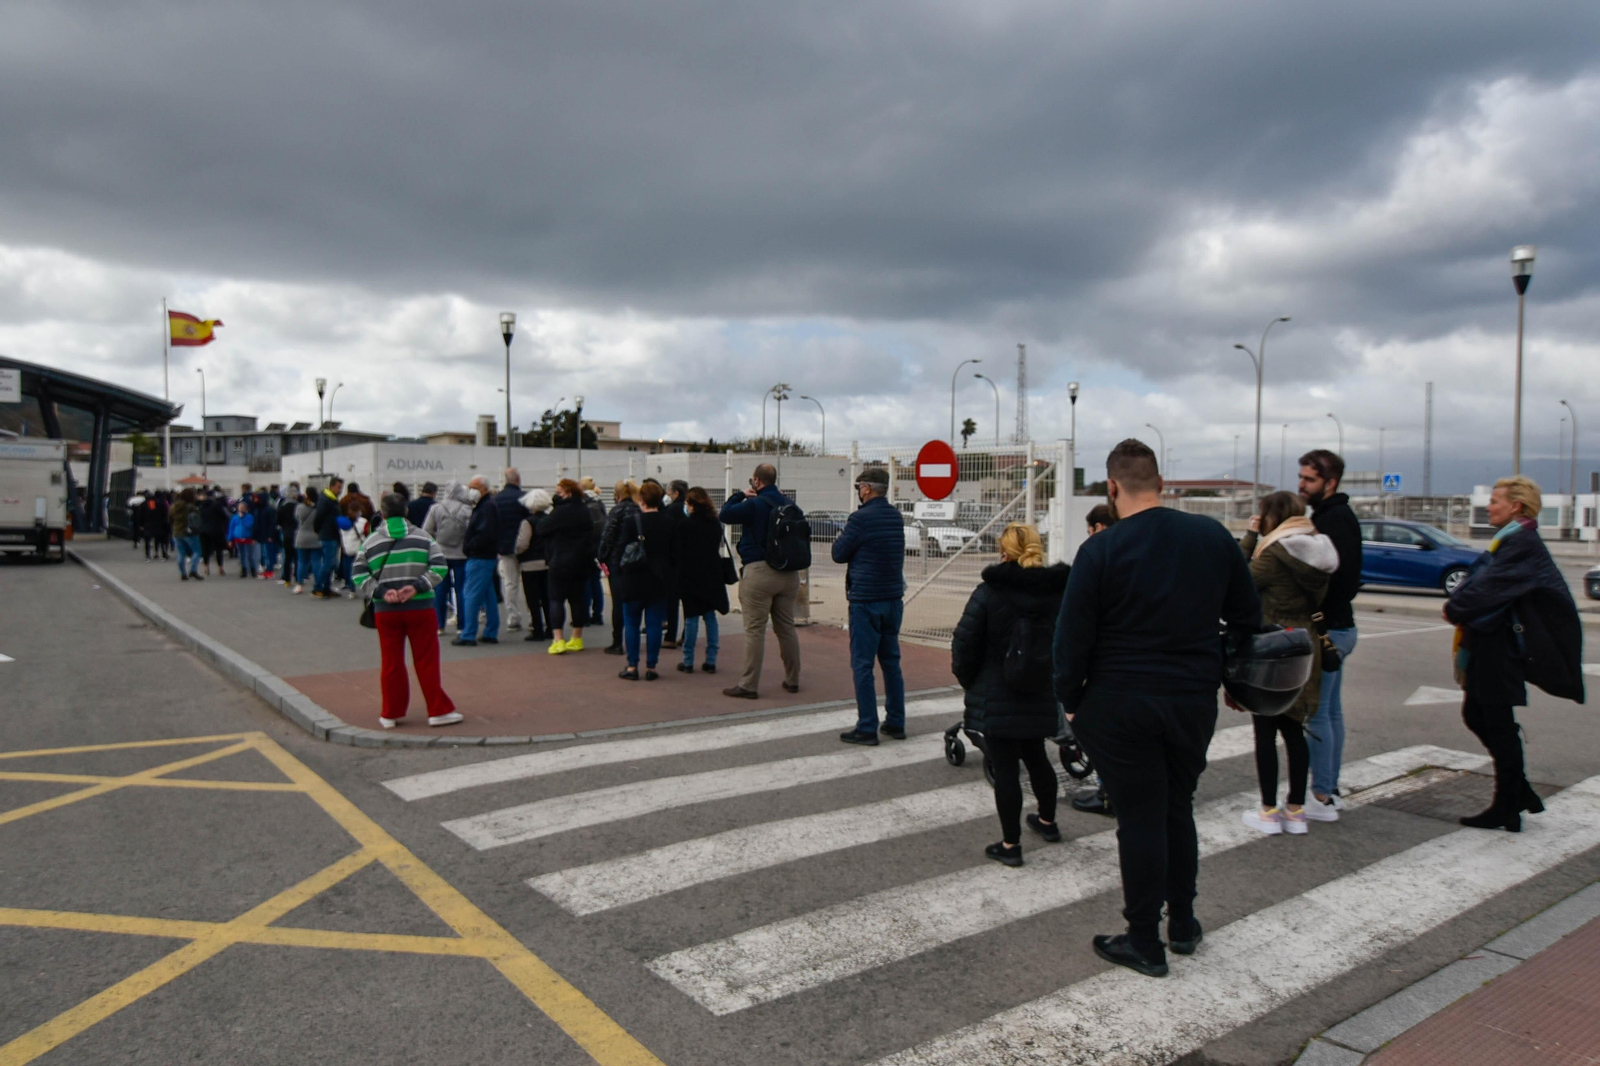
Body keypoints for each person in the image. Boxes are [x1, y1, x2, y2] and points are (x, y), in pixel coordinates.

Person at [1054, 439, 1260, 978]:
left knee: (1140, 818)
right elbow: (1247, 619)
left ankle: (1144, 939)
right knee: (1177, 808)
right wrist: (1234, 678)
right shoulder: (1212, 538)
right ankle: (1184, 923)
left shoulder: (1101, 550)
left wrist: (1071, 702)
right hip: (1191, 700)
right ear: (1161, 484)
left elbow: (1071, 641)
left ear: (1113, 487)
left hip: (1121, 703)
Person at [1444, 475, 1580, 832]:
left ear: (1515, 506)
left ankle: (1507, 805)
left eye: (1495, 500)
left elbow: (1488, 587)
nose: (1489, 506)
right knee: (1478, 715)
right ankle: (1518, 793)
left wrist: (1455, 608)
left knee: (1495, 722)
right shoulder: (1510, 540)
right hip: (1490, 641)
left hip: (1501, 647)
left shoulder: (1522, 543)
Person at [953, 524, 1069, 866]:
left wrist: (969, 680)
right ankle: (1047, 823)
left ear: (1003, 553)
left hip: (997, 690)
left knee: (1005, 768)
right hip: (1040, 687)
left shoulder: (989, 592)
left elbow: (965, 641)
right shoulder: (1057, 593)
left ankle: (1010, 845)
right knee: (1036, 756)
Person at [1237, 491, 1338, 836]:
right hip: (1305, 643)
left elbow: (1240, 578)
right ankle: (1296, 810)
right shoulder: (1320, 549)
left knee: (1266, 729)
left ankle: (1268, 811)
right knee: (1295, 728)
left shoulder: (1276, 551)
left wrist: (1250, 536)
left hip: (1273, 643)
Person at [352, 493, 463, 729]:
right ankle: (437, 710)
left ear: (382, 514)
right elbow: (440, 567)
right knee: (426, 660)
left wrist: (381, 592)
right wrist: (417, 586)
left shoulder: (371, 541)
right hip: (420, 607)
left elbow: (359, 573)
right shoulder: (423, 538)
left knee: (391, 661)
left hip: (386, 610)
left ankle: (390, 713)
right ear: (407, 512)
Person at [1296, 449, 1362, 819]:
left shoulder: (1333, 519)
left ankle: (1321, 796)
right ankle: (1330, 788)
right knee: (1331, 713)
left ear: (1330, 482)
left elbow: (1337, 579)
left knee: (1317, 715)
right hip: (1340, 626)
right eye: (1302, 477)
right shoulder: (1336, 516)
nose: (1301, 485)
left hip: (1329, 630)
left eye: (1309, 479)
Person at [832, 466, 907, 744]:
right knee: (891, 662)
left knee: (863, 664)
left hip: (866, 600)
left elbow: (839, 553)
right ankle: (896, 722)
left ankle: (867, 727)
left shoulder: (859, 519)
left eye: (858, 488)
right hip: (892, 599)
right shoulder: (896, 517)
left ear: (866, 488)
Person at [719, 463, 802, 699]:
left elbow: (724, 514)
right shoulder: (789, 504)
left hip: (760, 571)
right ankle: (793, 679)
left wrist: (739, 495)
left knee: (755, 630)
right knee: (786, 628)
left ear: (756, 481)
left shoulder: (754, 504)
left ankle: (748, 684)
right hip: (789, 573)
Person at [1071, 503, 1120, 817]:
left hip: (1107, 660)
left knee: (1106, 731)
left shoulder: (1097, 554)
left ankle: (1107, 794)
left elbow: (1079, 617)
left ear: (1099, 528)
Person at [613, 480, 675, 680]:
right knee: (654, 623)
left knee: (631, 623)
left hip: (633, 578)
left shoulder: (632, 522)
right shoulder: (668, 522)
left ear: (641, 500)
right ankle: (652, 667)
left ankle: (632, 666)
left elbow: (621, 548)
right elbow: (675, 554)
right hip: (658, 580)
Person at [674, 487, 729, 674]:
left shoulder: (684, 526)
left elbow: (679, 552)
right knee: (710, 617)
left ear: (691, 505)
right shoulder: (715, 523)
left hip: (690, 576)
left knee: (691, 618)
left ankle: (688, 661)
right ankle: (711, 660)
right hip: (712, 575)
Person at [538, 479, 597, 653]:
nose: (556, 495)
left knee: (556, 599)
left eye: (559, 492)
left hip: (560, 560)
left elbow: (542, 528)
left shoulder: (560, 512)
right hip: (581, 561)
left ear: (567, 493)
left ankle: (558, 640)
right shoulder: (584, 510)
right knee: (577, 599)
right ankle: (577, 638)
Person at [454, 475, 501, 646]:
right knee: (488, 595)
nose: (470, 490)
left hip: (479, 556)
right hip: (486, 556)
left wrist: (470, 547)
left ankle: (468, 634)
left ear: (483, 489)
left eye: (473, 487)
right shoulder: (487, 505)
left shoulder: (486, 507)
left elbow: (484, 533)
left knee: (471, 595)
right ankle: (490, 631)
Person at [598, 480, 641, 655]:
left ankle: (617, 641)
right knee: (633, 601)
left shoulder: (616, 511)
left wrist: (601, 557)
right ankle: (633, 639)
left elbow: (608, 536)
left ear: (617, 494)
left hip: (617, 560)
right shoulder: (639, 509)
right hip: (636, 560)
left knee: (618, 602)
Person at [424, 481, 473, 635]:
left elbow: (426, 530)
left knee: (440, 589)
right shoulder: (467, 509)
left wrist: (434, 544)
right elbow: (471, 531)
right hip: (461, 554)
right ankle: (462, 625)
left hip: (440, 554)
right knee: (461, 590)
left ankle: (439, 625)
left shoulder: (436, 508)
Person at [492, 469, 532, 632]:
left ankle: (513, 617)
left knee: (510, 583)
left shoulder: (496, 499)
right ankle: (533, 617)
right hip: (526, 546)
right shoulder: (525, 498)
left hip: (504, 547)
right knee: (530, 583)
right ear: (518, 480)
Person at [515, 487, 553, 642]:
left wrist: (516, 552)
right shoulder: (550, 519)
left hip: (530, 563)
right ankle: (551, 627)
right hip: (547, 561)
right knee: (547, 598)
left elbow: (522, 544)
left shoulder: (527, 522)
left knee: (533, 599)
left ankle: (537, 629)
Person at [661, 479, 690, 647]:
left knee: (672, 600)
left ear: (676, 493)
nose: (667, 496)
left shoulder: (671, 511)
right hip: (690, 559)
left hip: (673, 560)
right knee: (688, 601)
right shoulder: (690, 509)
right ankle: (687, 634)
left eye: (669, 492)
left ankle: (670, 635)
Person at [580, 478, 608, 626]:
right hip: (599, 547)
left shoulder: (584, 503)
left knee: (585, 582)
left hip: (587, 548)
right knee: (596, 581)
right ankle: (598, 613)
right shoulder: (599, 502)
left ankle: (584, 613)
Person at [312, 476, 344, 598]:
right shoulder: (326, 500)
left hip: (332, 533)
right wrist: (318, 530)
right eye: (338, 487)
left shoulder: (331, 499)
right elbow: (319, 516)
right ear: (331, 486)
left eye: (341, 487)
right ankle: (318, 587)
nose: (340, 490)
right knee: (329, 563)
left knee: (331, 563)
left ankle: (326, 587)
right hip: (328, 534)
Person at [170, 488, 202, 580]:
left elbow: (170, 519)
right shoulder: (191, 507)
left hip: (177, 532)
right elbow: (197, 519)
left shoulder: (173, 507)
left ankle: (183, 574)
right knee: (197, 551)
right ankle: (193, 570)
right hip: (190, 532)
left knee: (181, 553)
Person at [292, 489, 319, 594]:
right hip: (315, 537)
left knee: (302, 562)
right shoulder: (317, 508)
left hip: (302, 537)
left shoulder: (299, 507)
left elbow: (296, 518)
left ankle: (299, 584)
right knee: (316, 562)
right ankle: (318, 583)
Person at [199, 489, 229, 576]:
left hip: (203, 530)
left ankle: (206, 567)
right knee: (218, 550)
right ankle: (220, 568)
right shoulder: (217, 506)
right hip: (216, 530)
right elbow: (224, 517)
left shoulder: (201, 507)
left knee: (205, 550)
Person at [276, 484, 302, 587]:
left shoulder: (282, 507)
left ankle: (287, 579)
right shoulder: (299, 506)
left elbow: (278, 521)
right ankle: (298, 577)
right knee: (298, 558)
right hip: (297, 533)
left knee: (287, 557)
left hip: (286, 534)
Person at [228, 500, 260, 578]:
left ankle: (253, 569)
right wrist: (230, 539)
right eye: (240, 507)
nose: (241, 509)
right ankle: (243, 570)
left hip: (248, 538)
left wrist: (242, 519)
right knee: (241, 555)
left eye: (243, 508)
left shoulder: (249, 517)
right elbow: (231, 528)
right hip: (238, 538)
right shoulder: (235, 517)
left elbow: (250, 526)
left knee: (250, 555)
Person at [254, 489, 280, 579]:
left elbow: (272, 524)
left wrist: (270, 535)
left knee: (269, 553)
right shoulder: (258, 510)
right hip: (261, 534)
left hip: (267, 535)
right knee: (264, 554)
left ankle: (270, 570)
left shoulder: (269, 510)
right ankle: (267, 569)